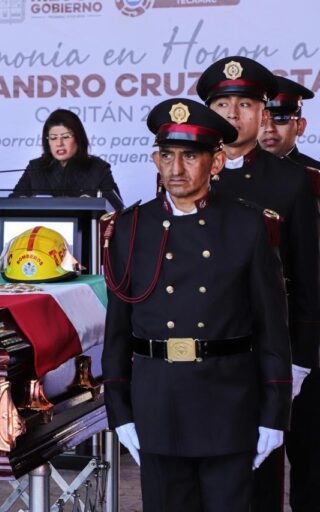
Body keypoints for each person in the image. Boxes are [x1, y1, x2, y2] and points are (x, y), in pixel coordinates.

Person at [102, 98, 292, 512]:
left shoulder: (247, 226)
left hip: (227, 405)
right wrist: (119, 408)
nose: (176, 169)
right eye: (167, 156)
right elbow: (116, 328)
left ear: (216, 163)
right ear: (155, 159)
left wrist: (275, 413)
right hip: (158, 404)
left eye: (190, 157)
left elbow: (272, 328)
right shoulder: (131, 227)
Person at [197, 57, 320, 511]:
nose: (232, 113)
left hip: (264, 356)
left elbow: (308, 279)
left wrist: (301, 364)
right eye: (222, 103)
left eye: (244, 104)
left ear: (262, 113)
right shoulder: (185, 175)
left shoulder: (290, 181)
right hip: (200, 357)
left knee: (259, 485)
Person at [258, 75, 320, 512]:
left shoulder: (315, 180)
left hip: (305, 335)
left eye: (281, 120)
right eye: (263, 118)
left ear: (299, 125)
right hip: (249, 340)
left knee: (311, 457)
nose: (269, 129)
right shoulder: (219, 178)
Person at [11, 108, 123, 208]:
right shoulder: (35, 168)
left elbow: (115, 207)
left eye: (65, 137)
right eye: (53, 138)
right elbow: (12, 202)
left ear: (78, 138)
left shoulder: (98, 168)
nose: (59, 143)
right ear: (47, 141)